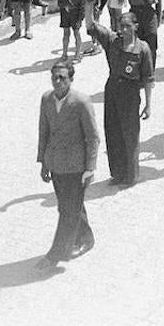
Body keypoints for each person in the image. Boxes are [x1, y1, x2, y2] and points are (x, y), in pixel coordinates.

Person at [35, 61, 99, 273]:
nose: (57, 81)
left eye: (62, 77)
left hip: (76, 166)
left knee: (68, 211)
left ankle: (55, 255)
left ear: (71, 79)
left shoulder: (81, 102)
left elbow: (93, 137)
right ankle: (86, 237)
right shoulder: (46, 99)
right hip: (56, 165)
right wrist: (43, 162)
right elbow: (43, 131)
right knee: (69, 206)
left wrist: (90, 168)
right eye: (54, 77)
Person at [84, 0, 153, 187]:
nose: (123, 30)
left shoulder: (143, 48)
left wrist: (148, 104)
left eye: (127, 26)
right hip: (113, 87)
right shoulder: (113, 41)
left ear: (136, 26)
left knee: (129, 134)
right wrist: (89, 6)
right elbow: (91, 25)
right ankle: (117, 173)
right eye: (121, 26)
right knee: (112, 131)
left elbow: (148, 78)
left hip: (130, 93)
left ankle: (131, 176)